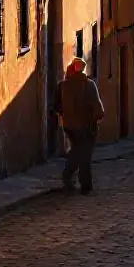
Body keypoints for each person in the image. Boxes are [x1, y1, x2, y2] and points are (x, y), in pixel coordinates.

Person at [51, 57, 105, 194]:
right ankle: (84, 184)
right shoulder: (89, 85)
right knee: (85, 155)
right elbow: (98, 109)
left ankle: (68, 177)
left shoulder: (62, 85)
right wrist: (95, 119)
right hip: (86, 127)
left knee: (76, 150)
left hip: (69, 126)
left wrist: (65, 115)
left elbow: (55, 106)